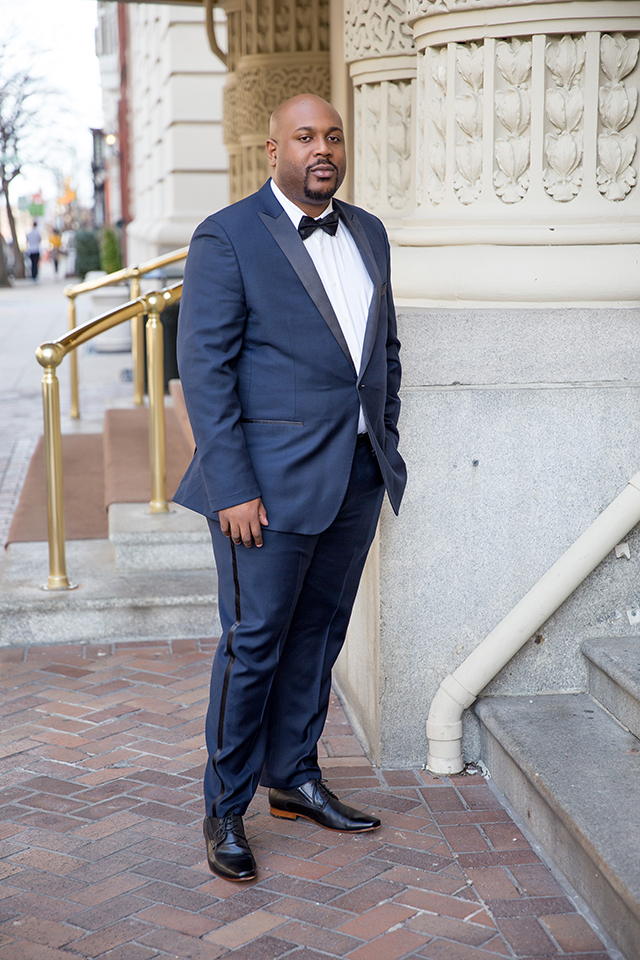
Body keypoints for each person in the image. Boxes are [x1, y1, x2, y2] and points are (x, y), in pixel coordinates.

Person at [175, 94, 407, 882]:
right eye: (305, 136)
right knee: (255, 644)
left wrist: (387, 440)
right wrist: (232, 486)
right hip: (262, 493)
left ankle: (294, 776)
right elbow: (204, 372)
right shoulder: (228, 235)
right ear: (271, 151)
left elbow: (385, 351)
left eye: (333, 137)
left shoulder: (368, 231)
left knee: (320, 635)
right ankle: (224, 808)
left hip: (356, 474)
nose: (323, 149)